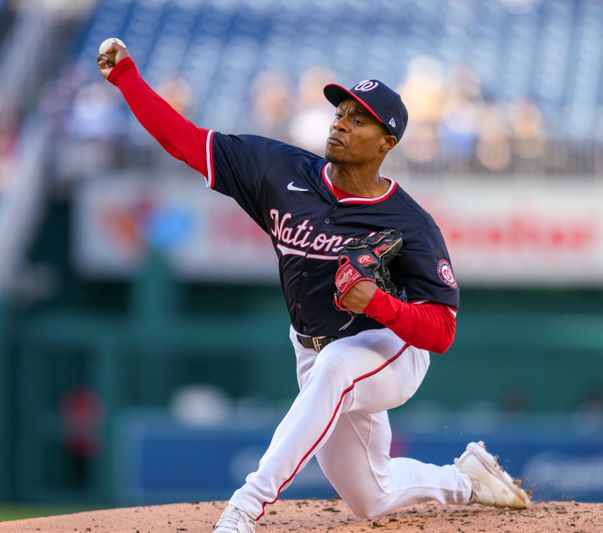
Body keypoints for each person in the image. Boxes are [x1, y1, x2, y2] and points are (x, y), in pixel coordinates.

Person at [97, 41, 530, 533]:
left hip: (390, 350)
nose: (341, 123)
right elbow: (184, 140)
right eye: (341, 112)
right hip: (312, 349)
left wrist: (382, 305)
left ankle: (244, 509)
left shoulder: (410, 223)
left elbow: (442, 331)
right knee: (372, 496)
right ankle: (467, 481)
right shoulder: (280, 171)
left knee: (338, 365)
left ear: (388, 142)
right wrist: (127, 78)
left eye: (360, 119)